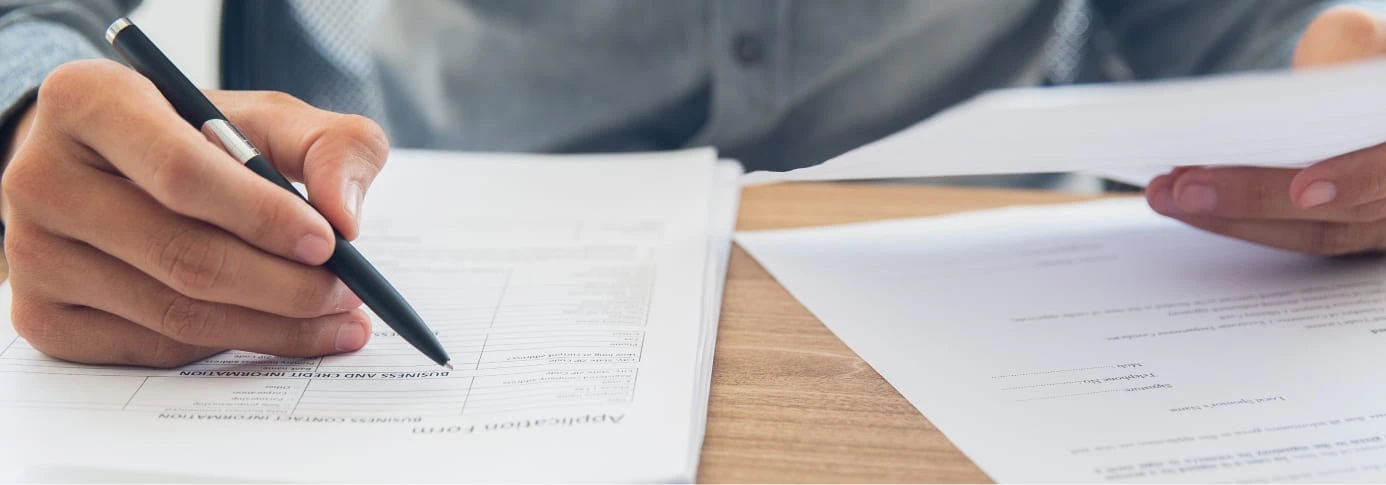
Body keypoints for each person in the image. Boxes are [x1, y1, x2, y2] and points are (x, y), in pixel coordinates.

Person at [0, 0, 1383, 367]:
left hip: (973, 299)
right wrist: (26, 125)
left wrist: (1334, 87)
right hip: (408, 242)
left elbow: (1228, 21)